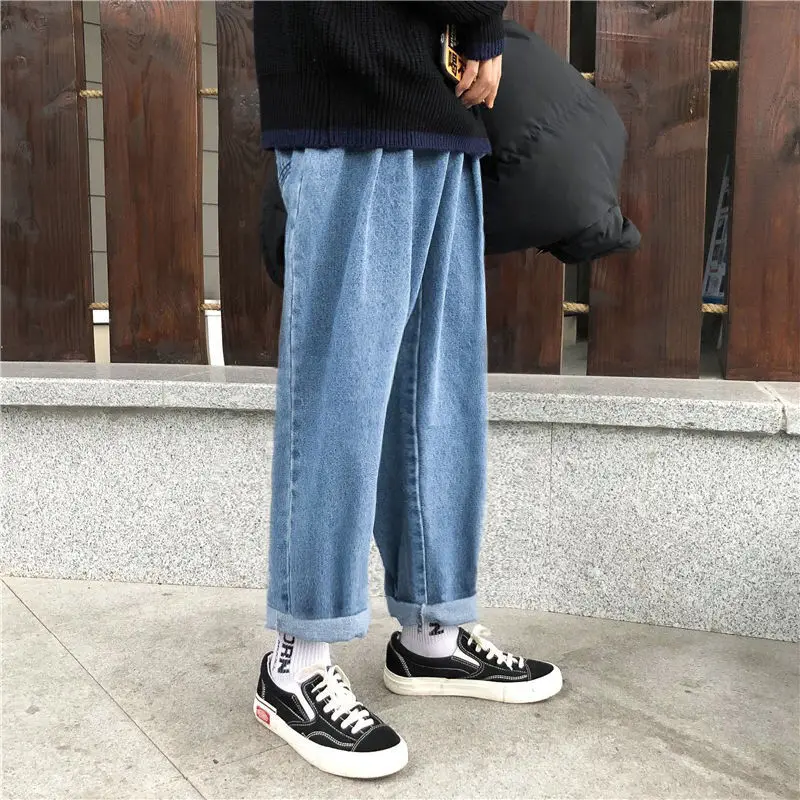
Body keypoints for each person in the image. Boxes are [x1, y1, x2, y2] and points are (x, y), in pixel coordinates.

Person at [252, 1, 562, 779]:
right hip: (350, 87)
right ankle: (295, 662)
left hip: (434, 102)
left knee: (436, 392)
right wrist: (482, 20)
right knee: (341, 396)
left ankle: (432, 632)